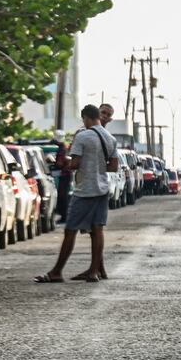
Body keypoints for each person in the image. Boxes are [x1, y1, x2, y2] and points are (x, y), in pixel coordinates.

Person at [35, 105, 117, 283]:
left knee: (70, 230)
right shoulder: (110, 138)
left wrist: (67, 163)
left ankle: (57, 271)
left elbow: (75, 163)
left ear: (85, 118)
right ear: (98, 116)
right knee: (98, 229)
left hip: (84, 190)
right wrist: (97, 166)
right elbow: (114, 166)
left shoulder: (82, 135)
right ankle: (94, 271)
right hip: (102, 188)